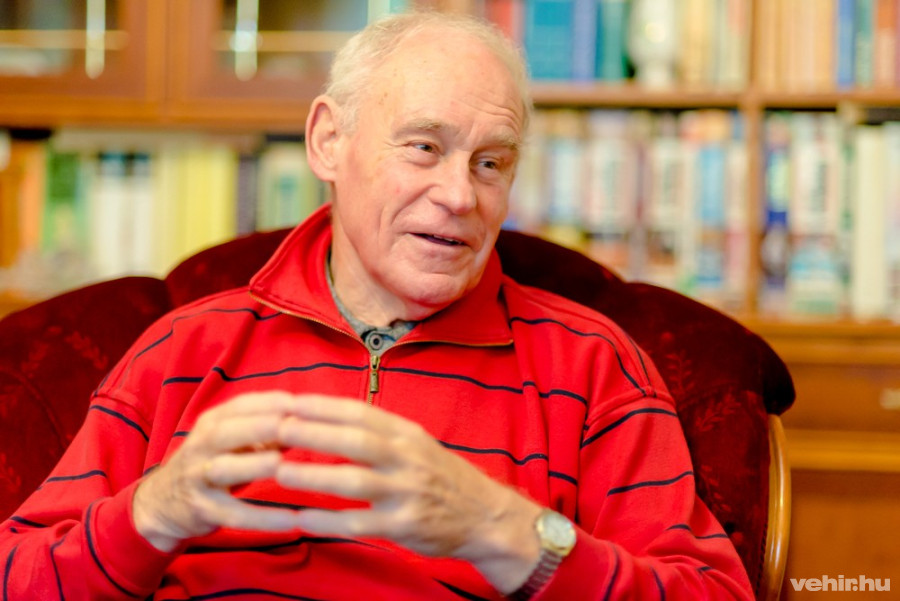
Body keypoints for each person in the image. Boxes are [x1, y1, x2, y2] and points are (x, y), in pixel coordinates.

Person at [0, 11, 754, 601]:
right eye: (424, 147)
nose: (459, 195)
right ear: (329, 141)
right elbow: (18, 575)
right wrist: (152, 512)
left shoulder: (593, 364)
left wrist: (505, 530)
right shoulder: (183, 348)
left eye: (490, 162)